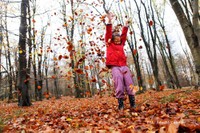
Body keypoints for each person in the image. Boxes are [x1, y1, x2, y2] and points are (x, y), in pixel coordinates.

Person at [105, 12, 136, 110]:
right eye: (116, 41)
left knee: (129, 81)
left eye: (119, 40)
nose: (118, 42)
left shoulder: (121, 44)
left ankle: (132, 102)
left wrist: (126, 25)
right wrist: (109, 21)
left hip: (124, 66)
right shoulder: (109, 44)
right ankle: (120, 104)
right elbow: (108, 33)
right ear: (112, 40)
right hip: (114, 66)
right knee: (118, 81)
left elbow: (124, 35)